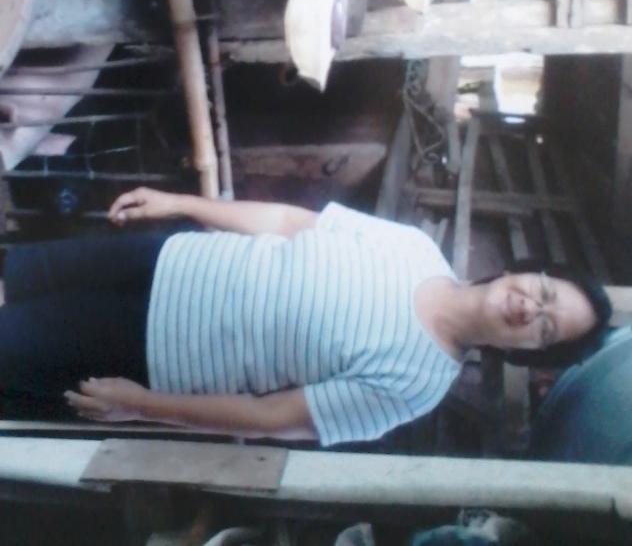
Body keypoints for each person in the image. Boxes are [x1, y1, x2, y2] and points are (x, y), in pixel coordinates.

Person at [0, 187, 611, 446]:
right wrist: (180, 203)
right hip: (165, 259)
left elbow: (271, 418)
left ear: (530, 353)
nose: (530, 308)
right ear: (526, 270)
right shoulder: (414, 248)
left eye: (546, 327)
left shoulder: (415, 386)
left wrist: (142, 406)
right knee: (14, 274)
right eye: (544, 291)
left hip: (151, 347)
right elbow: (289, 222)